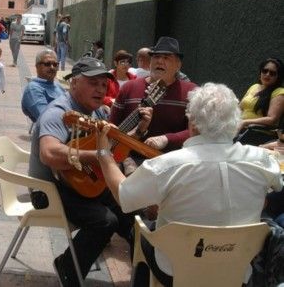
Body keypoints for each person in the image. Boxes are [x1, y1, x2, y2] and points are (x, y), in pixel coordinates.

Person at [96, 82, 283, 287]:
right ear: (235, 122)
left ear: (192, 123)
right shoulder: (261, 160)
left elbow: (124, 196)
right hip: (237, 270)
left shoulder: (166, 165)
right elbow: (276, 186)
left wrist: (104, 154)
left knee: (140, 230)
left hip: (174, 270)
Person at [29, 57, 133, 286]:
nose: (100, 89)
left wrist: (138, 130)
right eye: (93, 83)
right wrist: (96, 156)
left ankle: (148, 269)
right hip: (49, 189)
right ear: (74, 83)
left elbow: (109, 147)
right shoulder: (58, 113)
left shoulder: (97, 113)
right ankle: (68, 269)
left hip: (80, 183)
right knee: (105, 221)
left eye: (104, 85)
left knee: (130, 207)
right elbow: (49, 154)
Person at [110, 36, 197, 152]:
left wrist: (167, 139)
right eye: (156, 56)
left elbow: (198, 130)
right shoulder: (129, 88)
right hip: (127, 159)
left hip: (173, 162)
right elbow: (111, 126)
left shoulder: (192, 92)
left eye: (166, 57)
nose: (160, 61)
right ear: (150, 62)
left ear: (178, 65)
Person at [239, 57, 284, 129]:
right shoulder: (254, 86)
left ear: (278, 77)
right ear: (260, 72)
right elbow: (239, 108)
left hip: (257, 132)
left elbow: (271, 119)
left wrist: (245, 122)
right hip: (240, 128)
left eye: (272, 73)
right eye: (265, 71)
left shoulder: (279, 92)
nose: (267, 74)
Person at [21, 49, 64, 122]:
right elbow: (46, 118)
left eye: (55, 64)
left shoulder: (58, 86)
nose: (52, 67)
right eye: (47, 64)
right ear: (37, 66)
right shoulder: (33, 89)